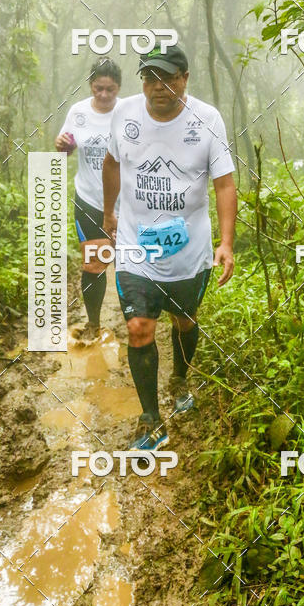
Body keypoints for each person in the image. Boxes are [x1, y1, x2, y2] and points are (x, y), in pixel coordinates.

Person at [102, 43, 237, 451]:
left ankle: (180, 376)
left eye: (166, 78)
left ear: (185, 78)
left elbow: (225, 184)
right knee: (139, 327)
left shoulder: (207, 119)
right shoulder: (124, 113)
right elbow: (111, 163)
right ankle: (150, 418)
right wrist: (109, 213)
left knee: (184, 319)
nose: (157, 87)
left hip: (188, 251)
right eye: (148, 78)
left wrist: (226, 242)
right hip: (135, 245)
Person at [55, 58, 122, 343]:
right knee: (94, 265)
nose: (104, 95)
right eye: (98, 89)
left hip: (128, 203)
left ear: (119, 87)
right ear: (90, 85)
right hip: (89, 201)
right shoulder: (78, 111)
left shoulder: (130, 111)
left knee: (132, 264)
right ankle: (93, 324)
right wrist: (63, 146)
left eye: (110, 89)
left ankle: (138, 325)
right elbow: (67, 146)